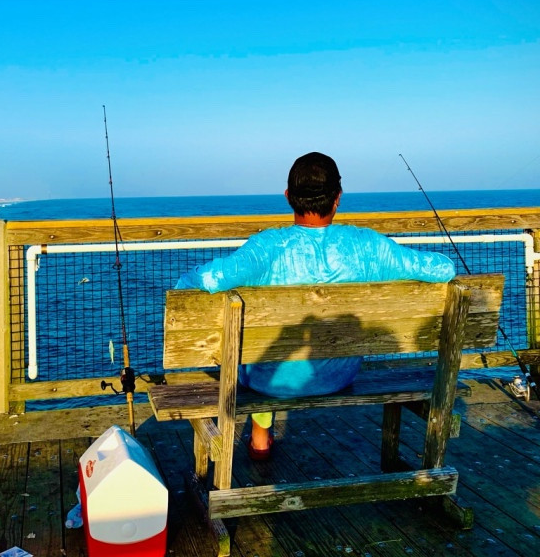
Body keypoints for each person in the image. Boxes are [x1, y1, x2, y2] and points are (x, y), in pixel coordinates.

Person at [175, 152, 455, 460]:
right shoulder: (368, 246)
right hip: (338, 376)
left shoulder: (266, 247)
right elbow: (442, 269)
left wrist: (182, 286)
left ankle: (260, 439)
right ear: (337, 198)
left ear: (288, 197)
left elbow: (207, 280)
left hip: (267, 381)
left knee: (257, 350)